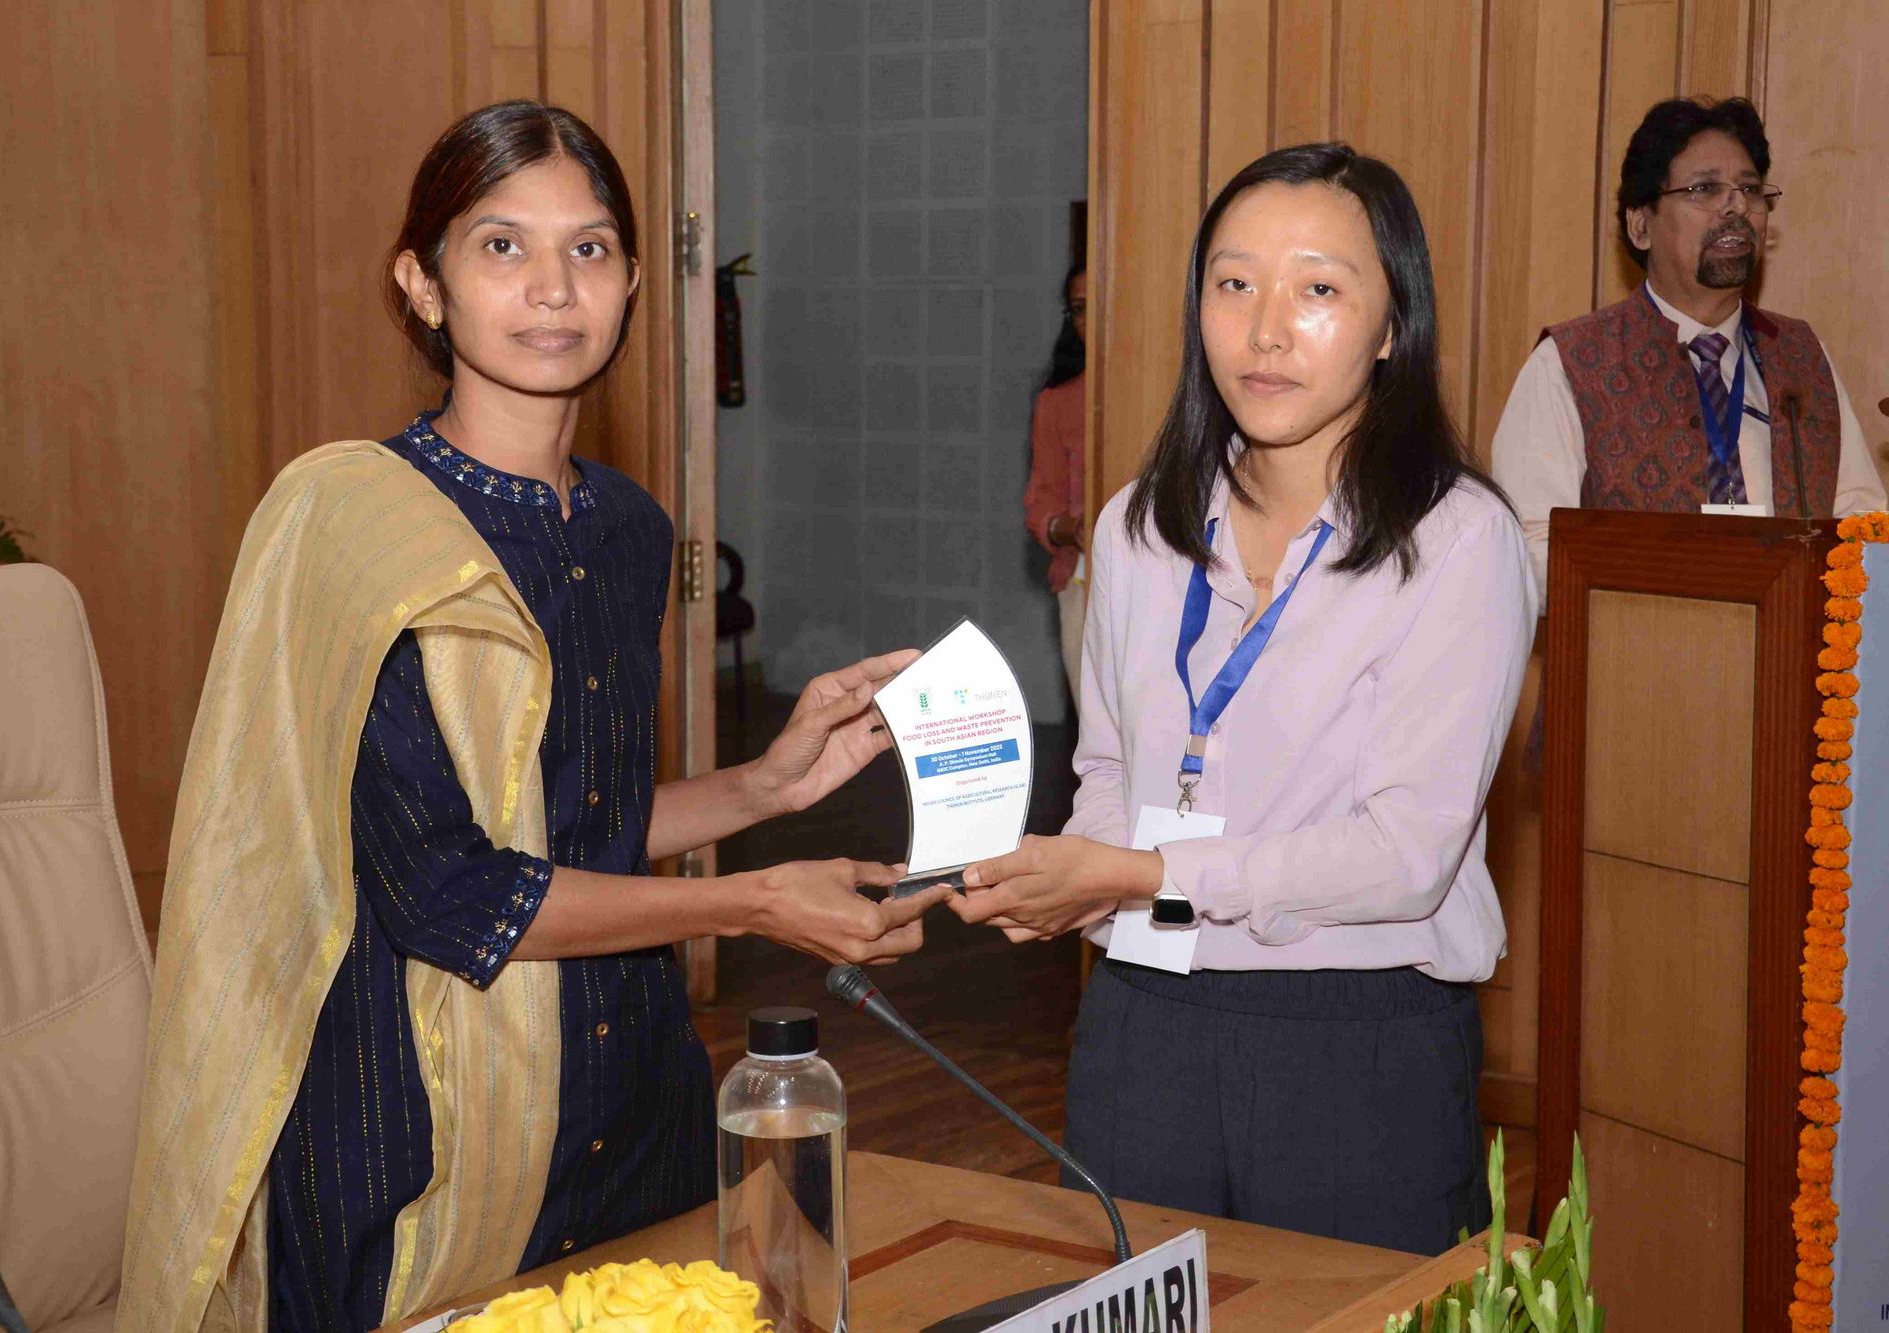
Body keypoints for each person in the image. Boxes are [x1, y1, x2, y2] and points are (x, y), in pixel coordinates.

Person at [118, 101, 949, 1333]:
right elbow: (450, 892)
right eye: (501, 246)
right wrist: (753, 897)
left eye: (591, 249)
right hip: (425, 1142)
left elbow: (576, 825)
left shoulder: (621, 529)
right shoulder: (354, 528)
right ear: (422, 282)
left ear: (628, 283)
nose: (553, 289)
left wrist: (761, 789)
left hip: (631, 1106)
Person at [951, 143, 1536, 1256]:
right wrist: (1058, 881)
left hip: (1356, 1038)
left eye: (1317, 288)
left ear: (1388, 323)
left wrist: (1136, 872)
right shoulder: (1133, 528)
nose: (1266, 329)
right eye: (1233, 284)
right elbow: (1114, 774)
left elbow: (1406, 850)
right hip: (1143, 1014)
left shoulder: (1456, 540)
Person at [1491, 96, 1886, 609]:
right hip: (1633, 670)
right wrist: (1677, 589)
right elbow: (1526, 549)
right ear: (1640, 225)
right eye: (1704, 189)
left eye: (1749, 189)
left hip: (1788, 669)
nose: (1737, 207)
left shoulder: (1803, 357)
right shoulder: (1570, 363)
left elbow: (1861, 521)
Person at [1023, 262, 1089, 710]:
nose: (1091, 319)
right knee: (1101, 746)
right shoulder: (1059, 399)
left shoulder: (1176, 389)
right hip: (1084, 580)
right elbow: (1040, 502)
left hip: (1169, 590)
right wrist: (1071, 530)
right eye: (1079, 308)